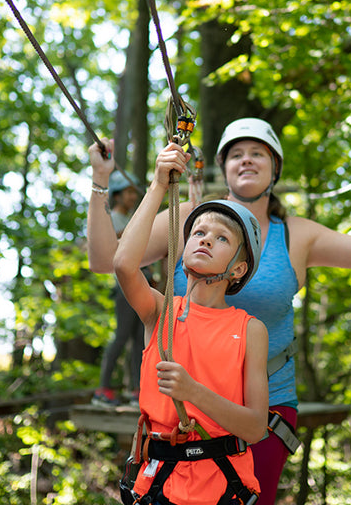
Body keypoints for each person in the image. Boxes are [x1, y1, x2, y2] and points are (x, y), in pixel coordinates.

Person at [88, 118, 351, 504]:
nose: (247, 160)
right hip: (180, 410)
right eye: (236, 154)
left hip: (265, 405)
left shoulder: (296, 233)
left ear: (275, 167)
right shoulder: (192, 218)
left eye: (258, 153)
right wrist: (100, 182)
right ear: (223, 167)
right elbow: (111, 260)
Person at [114, 142, 269, 504]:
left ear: (239, 269)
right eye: (198, 233)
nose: (205, 241)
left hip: (220, 487)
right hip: (157, 484)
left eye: (221, 238)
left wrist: (193, 392)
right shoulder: (160, 311)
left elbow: (255, 427)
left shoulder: (250, 330)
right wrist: (157, 186)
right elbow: (123, 264)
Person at [93, 169, 146, 407]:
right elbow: (109, 247)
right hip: (125, 288)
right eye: (128, 192)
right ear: (116, 195)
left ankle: (137, 389)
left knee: (138, 340)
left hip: (141, 283)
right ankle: (103, 388)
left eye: (135, 192)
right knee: (122, 336)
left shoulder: (130, 219)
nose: (132, 197)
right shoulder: (113, 219)